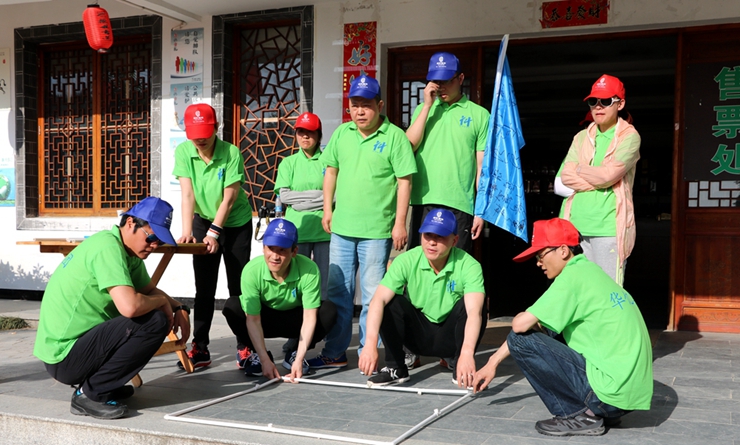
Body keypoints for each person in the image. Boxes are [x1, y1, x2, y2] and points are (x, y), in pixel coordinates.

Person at [473, 218, 653, 437]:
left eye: (540, 255)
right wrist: (492, 363)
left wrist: (522, 315)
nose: (538, 263)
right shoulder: (590, 272)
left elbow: (519, 326)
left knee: (522, 339)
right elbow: (540, 325)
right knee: (547, 329)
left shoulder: (572, 277)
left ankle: (578, 415)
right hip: (626, 396)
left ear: (564, 251)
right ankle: (600, 412)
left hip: (609, 393)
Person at [33, 197, 191, 420]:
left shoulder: (129, 253)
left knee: (154, 313)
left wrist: (179, 307)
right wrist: (163, 304)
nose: (155, 245)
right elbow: (130, 307)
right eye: (152, 237)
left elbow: (149, 290)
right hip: (64, 356)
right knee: (154, 320)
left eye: (160, 241)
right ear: (130, 223)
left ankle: (102, 385)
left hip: (78, 347)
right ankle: (90, 393)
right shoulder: (107, 247)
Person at [307, 75, 418, 369]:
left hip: (377, 231)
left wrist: (400, 223)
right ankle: (335, 351)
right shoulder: (342, 134)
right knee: (338, 293)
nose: (360, 111)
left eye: (366, 105)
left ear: (379, 106)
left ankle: (369, 352)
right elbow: (331, 172)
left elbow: (404, 182)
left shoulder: (395, 136)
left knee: (373, 296)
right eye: (355, 105)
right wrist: (327, 210)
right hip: (342, 229)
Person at [358, 209, 487, 387]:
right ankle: (395, 368)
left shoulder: (470, 265)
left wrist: (467, 353)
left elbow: (474, 313)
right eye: (428, 235)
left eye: (440, 236)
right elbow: (377, 301)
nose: (432, 242)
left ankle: (461, 367)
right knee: (389, 302)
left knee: (477, 306)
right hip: (417, 336)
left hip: (450, 338)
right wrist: (370, 345)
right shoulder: (406, 260)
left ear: (455, 240)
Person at [173, 103, 253, 369]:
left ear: (216, 127)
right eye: (195, 134)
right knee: (204, 288)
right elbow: (187, 194)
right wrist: (187, 231)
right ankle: (200, 346)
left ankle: (245, 345)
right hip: (203, 220)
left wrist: (214, 233)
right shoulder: (184, 152)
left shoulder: (231, 152)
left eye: (205, 133)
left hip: (236, 223)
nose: (200, 139)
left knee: (238, 288)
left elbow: (229, 198)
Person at [221, 219, 336, 381]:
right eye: (271, 248)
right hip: (264, 319)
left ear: (294, 251)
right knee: (232, 306)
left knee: (328, 310)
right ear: (263, 248)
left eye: (282, 250)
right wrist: (264, 360)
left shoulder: (309, 269)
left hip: (295, 320)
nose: (275, 256)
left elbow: (310, 317)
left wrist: (299, 359)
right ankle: (258, 354)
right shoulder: (251, 271)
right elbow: (253, 319)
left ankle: (295, 353)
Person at [554, 74, 641, 285]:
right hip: (574, 227)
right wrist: (599, 176)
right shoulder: (581, 137)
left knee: (608, 291)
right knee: (579, 290)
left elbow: (608, 175)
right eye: (593, 101)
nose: (598, 106)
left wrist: (580, 169)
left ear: (620, 104)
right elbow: (565, 177)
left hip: (608, 228)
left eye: (606, 101)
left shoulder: (630, 137)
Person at [405, 52, 490, 254]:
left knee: (455, 264)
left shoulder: (479, 115)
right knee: (420, 262)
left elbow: (482, 167)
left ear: (460, 79)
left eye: (446, 81)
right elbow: (408, 147)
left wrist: (481, 211)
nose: (441, 87)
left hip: (460, 203)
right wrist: (427, 106)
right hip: (423, 200)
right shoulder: (423, 110)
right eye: (436, 81)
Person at [274, 111, 330, 299]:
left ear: (319, 135)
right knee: (297, 281)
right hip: (296, 231)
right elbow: (284, 196)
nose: (305, 136)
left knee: (325, 283)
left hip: (325, 230)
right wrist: (320, 196)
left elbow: (336, 196)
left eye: (310, 132)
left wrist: (300, 204)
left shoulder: (329, 161)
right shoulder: (288, 163)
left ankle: (322, 317)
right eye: (301, 132)